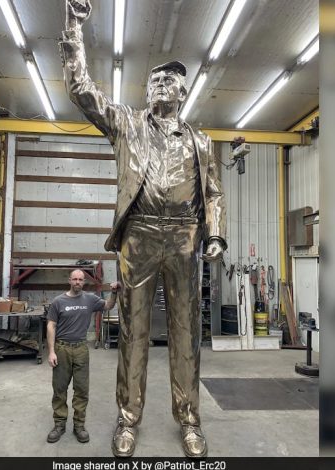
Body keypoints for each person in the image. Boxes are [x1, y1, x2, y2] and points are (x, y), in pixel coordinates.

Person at [59, 0, 227, 458]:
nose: (157, 85)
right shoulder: (127, 125)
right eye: (153, 80)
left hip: (185, 238)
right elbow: (81, 89)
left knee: (185, 332)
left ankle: (190, 420)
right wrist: (73, 27)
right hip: (139, 236)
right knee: (132, 331)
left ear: (182, 91)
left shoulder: (201, 141)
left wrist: (214, 235)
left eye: (167, 81)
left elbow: (212, 193)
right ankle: (127, 420)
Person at [46, 269, 119, 444]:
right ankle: (59, 424)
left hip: (81, 349)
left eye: (81, 279)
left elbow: (108, 306)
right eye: (75, 279)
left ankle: (79, 425)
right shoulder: (58, 301)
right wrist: (51, 351)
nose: (78, 282)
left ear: (84, 282)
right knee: (60, 389)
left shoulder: (90, 299)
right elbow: (51, 326)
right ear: (69, 281)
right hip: (62, 348)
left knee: (81, 390)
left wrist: (114, 292)